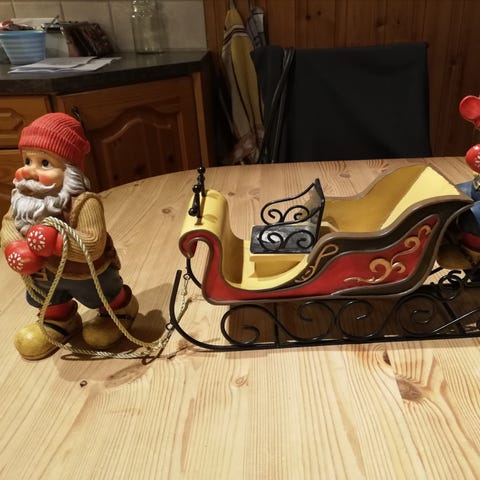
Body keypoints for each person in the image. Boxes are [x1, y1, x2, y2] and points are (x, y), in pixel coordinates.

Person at [1, 113, 138, 360]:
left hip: (85, 272)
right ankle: (58, 320)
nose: (30, 171)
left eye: (45, 163)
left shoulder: (83, 203)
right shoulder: (22, 202)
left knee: (102, 291)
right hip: (43, 273)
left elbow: (93, 242)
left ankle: (120, 309)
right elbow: (9, 223)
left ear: (70, 171)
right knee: (48, 297)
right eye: (28, 160)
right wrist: (14, 245)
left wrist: (56, 242)